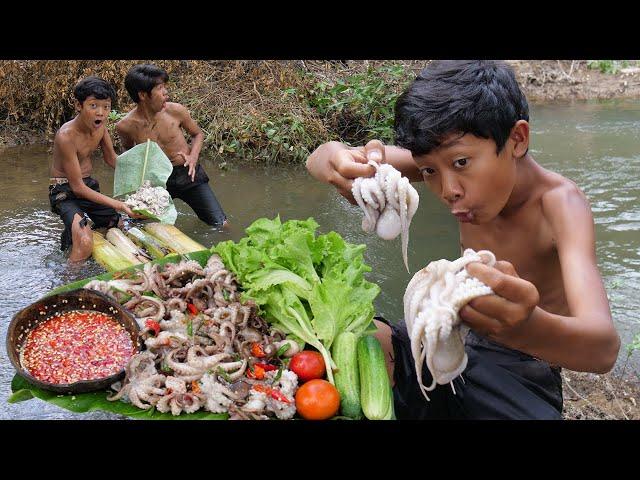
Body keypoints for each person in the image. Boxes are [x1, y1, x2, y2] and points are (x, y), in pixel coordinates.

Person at [306, 60, 620, 419]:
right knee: (354, 335)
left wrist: (525, 325)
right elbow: (323, 159)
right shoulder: (448, 164)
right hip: (445, 335)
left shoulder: (561, 205)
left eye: (461, 164)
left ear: (517, 139)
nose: (448, 191)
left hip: (520, 367)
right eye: (428, 172)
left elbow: (603, 349)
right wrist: (335, 160)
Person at [116, 64, 228, 227]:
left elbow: (198, 134)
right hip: (156, 180)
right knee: (133, 224)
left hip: (187, 172)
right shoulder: (125, 126)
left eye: (164, 87)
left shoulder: (176, 111)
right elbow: (127, 150)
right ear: (142, 95)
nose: (166, 92)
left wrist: (193, 157)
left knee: (221, 225)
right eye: (160, 88)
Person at [49, 76, 141, 263]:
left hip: (88, 185)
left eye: (106, 107)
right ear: (78, 105)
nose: (100, 112)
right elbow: (77, 188)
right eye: (93, 106)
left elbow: (112, 159)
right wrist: (120, 204)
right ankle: (69, 283)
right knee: (84, 242)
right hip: (64, 192)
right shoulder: (66, 136)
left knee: (118, 224)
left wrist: (142, 179)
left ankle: (71, 235)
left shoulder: (101, 128)